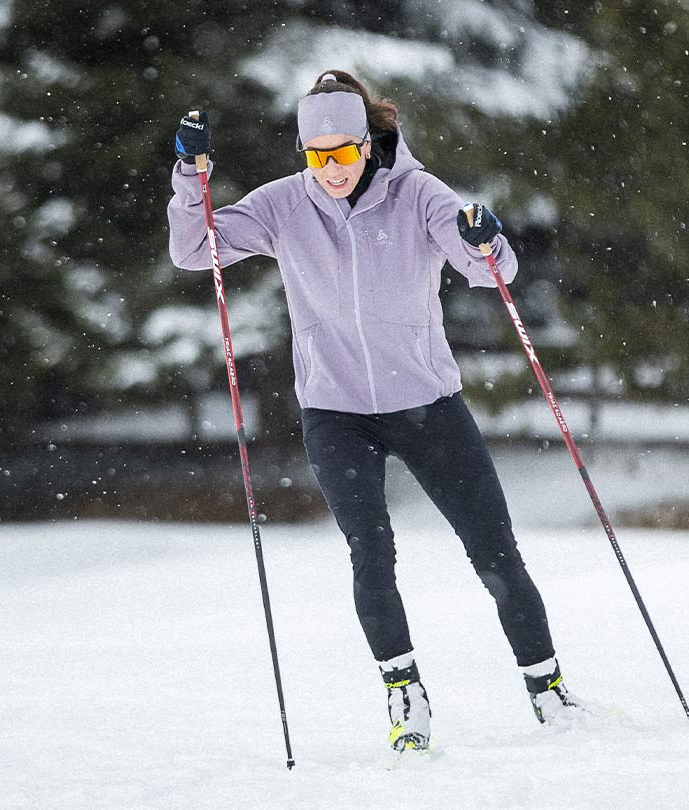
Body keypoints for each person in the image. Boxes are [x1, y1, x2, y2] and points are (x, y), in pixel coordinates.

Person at [168, 70, 580, 752]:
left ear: (369, 143)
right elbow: (194, 249)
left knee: (494, 551)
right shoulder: (282, 206)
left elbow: (488, 271)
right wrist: (191, 174)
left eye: (343, 152)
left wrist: (488, 239)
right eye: (316, 155)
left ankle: (548, 689)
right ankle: (405, 695)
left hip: (425, 401)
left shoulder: (417, 194)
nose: (330, 168)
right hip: (334, 410)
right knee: (371, 551)